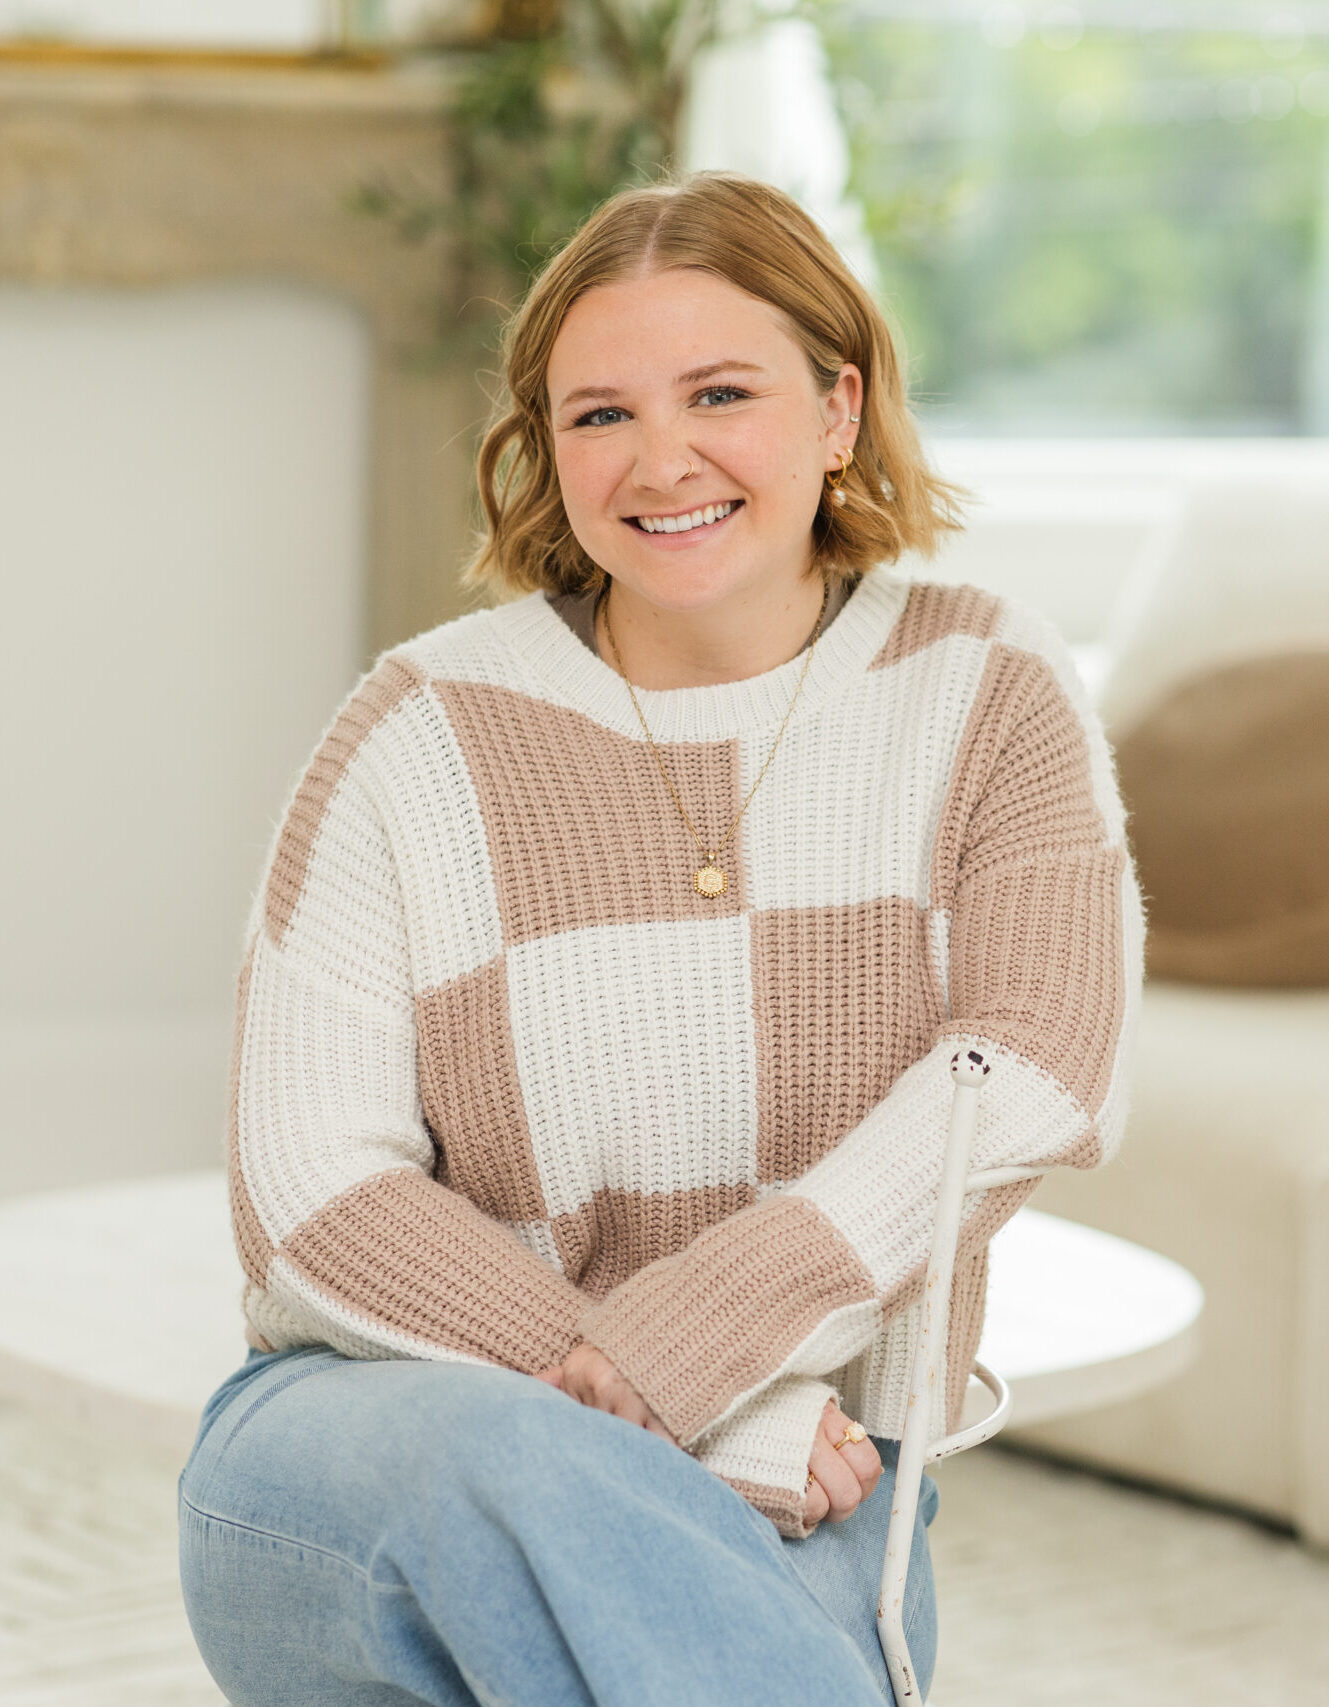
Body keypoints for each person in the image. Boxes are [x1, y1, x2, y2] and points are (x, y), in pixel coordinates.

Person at [176, 169, 1144, 1707]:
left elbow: (1030, 1064)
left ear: (839, 407)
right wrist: (695, 1407)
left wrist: (712, 1347)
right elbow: (316, 1194)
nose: (661, 457)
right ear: (544, 451)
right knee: (505, 1462)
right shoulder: (417, 728)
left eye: (720, 392)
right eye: (600, 414)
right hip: (378, 1442)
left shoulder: (988, 692)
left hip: (812, 1470)